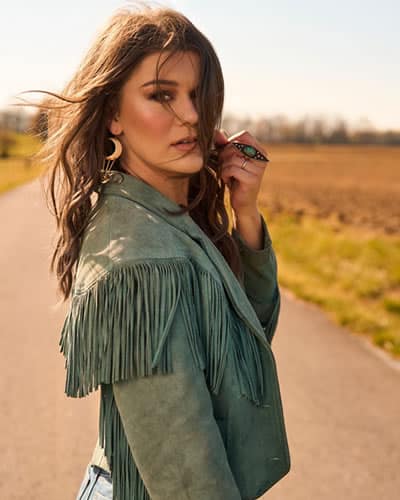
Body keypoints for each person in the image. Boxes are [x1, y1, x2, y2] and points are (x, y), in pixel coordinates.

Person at [23, 3, 290, 499]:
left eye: (197, 95)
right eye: (161, 95)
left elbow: (247, 340)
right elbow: (187, 475)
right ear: (112, 117)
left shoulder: (164, 218)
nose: (190, 115)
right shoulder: (141, 261)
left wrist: (245, 215)